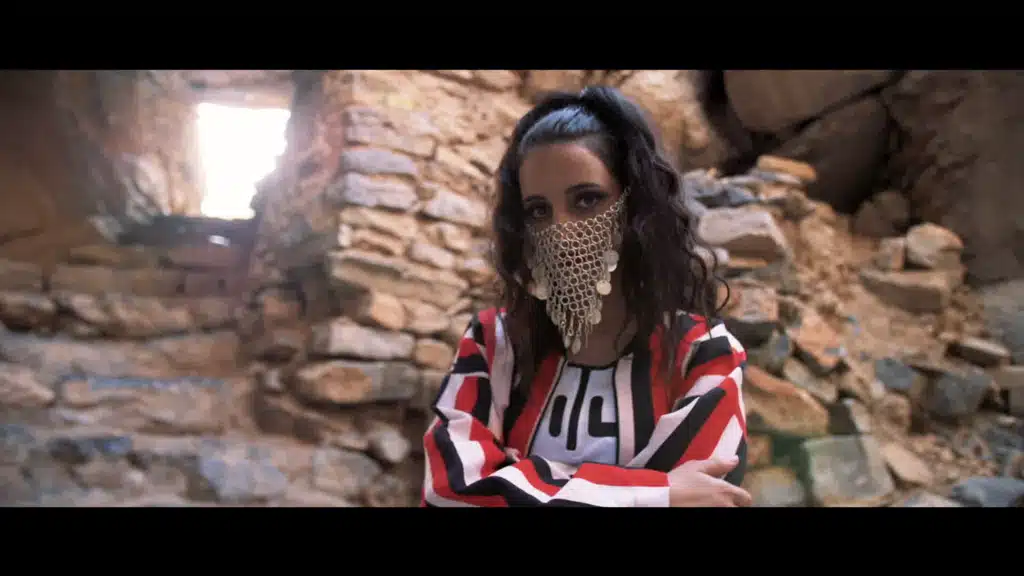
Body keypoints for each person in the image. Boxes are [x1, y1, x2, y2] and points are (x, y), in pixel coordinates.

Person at [421, 85, 752, 507]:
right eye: (538, 211)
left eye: (587, 200)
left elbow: (706, 499)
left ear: (637, 207)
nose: (561, 232)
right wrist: (656, 492)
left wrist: (517, 476)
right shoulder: (493, 343)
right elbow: (452, 492)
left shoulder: (705, 354)